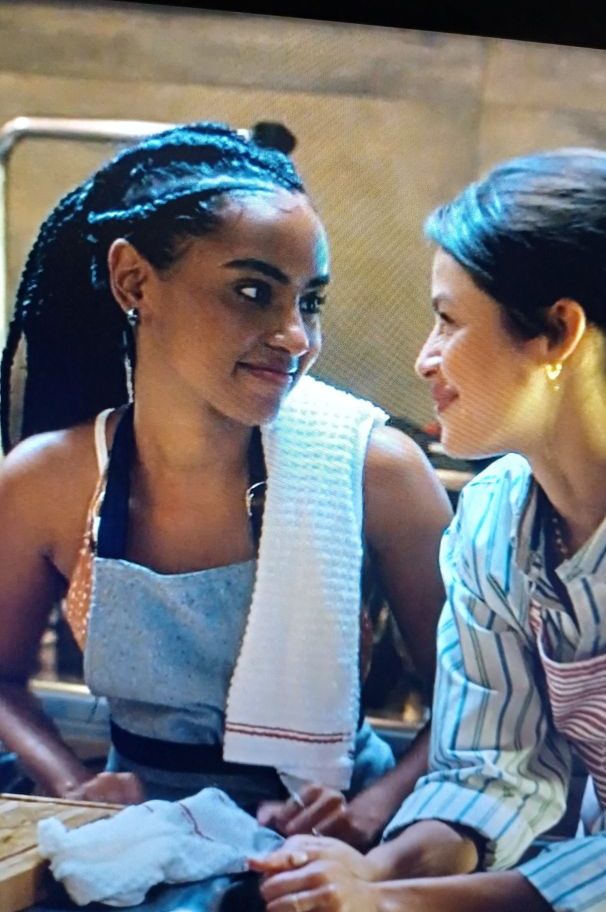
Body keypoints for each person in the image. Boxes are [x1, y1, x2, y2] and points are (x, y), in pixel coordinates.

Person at [253, 148, 606, 911]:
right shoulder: (493, 517)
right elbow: (491, 775)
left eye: (448, 319)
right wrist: (365, 871)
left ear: (558, 333)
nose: (424, 358)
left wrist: (385, 903)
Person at [0, 121, 452, 852]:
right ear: (134, 281)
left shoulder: (380, 473)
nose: (296, 335)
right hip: (139, 842)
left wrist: (371, 810)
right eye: (252, 291)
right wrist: (73, 786)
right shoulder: (47, 482)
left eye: (310, 302)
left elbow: (478, 706)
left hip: (332, 853)